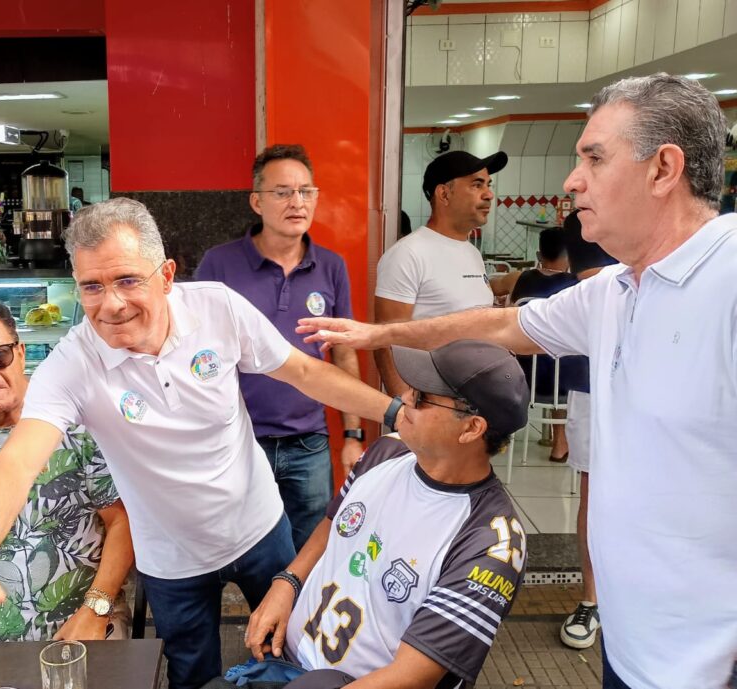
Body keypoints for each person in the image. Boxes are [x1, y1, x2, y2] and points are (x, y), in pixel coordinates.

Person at [296, 74, 737, 689]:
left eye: (593, 157)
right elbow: (502, 324)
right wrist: (378, 335)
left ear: (663, 168)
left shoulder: (728, 280)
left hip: (713, 662)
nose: (571, 180)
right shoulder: (615, 288)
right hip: (634, 649)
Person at [0, 197, 396, 689]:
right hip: (170, 559)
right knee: (190, 673)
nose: (110, 304)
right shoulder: (74, 363)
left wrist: (395, 412)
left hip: (258, 528)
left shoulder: (217, 308)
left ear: (166, 274)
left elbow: (304, 371)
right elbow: (17, 460)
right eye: (91, 287)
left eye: (127, 280)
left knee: (296, 650)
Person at [235, 340, 528, 689]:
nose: (404, 398)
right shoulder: (386, 451)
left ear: (471, 429)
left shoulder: (490, 542)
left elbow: (414, 675)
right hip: (285, 662)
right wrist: (287, 583)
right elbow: (333, 527)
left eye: (421, 397)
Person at [0, 298, 134, 643]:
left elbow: (122, 521)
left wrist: (96, 609)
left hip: (83, 626)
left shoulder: (76, 421)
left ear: (21, 352)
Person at [195, 144, 363, 551]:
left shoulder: (331, 266)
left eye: (306, 191)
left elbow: (343, 353)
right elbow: (195, 353)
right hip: (237, 442)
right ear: (257, 201)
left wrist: (354, 434)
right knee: (244, 554)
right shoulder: (219, 265)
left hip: (310, 444)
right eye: (283, 192)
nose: (297, 202)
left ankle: (299, 618)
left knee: (310, 552)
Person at [373, 150, 517, 397]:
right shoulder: (408, 254)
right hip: (432, 403)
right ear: (444, 194)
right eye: (476, 184)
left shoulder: (471, 253)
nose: (489, 194)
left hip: (476, 396)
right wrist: (403, 409)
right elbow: (387, 342)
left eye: (488, 185)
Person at [554, 209, 618, 650]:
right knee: (594, 495)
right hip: (593, 391)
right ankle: (592, 600)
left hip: (656, 391)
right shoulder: (585, 223)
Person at [509, 228, 584, 463]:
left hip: (525, 380)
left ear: (539, 254)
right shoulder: (578, 287)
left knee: (539, 355)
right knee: (565, 357)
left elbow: (497, 293)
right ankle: (560, 443)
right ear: (570, 256)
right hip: (564, 385)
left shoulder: (521, 279)